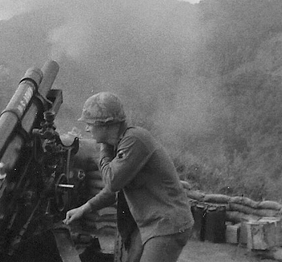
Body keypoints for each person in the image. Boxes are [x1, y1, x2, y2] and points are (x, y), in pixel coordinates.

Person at [64, 92, 194, 262]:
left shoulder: (134, 140)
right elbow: (114, 191)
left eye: (90, 124)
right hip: (151, 224)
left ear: (105, 125)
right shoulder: (122, 143)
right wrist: (84, 209)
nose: (87, 129)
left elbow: (112, 182)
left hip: (167, 225)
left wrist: (101, 151)